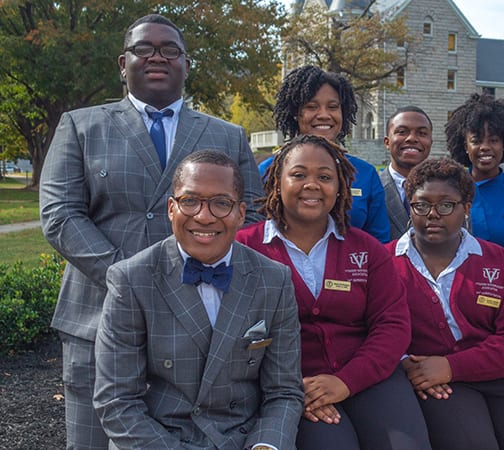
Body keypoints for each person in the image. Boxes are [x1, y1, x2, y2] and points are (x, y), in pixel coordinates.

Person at [39, 14, 263, 449]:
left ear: (186, 64)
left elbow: (250, 213)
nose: (157, 56)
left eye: (170, 50)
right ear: (124, 64)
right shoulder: (80, 126)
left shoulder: (227, 135)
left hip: (199, 316)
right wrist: (129, 281)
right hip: (97, 313)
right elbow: (60, 213)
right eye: (145, 49)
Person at [93, 151, 303, 450]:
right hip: (157, 439)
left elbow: (283, 392)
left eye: (221, 203)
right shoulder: (130, 280)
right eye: (190, 201)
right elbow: (117, 402)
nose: (204, 216)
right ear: (171, 208)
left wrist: (266, 445)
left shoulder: (274, 279)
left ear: (241, 213)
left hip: (245, 439)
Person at [237, 135, 431, 450]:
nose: (311, 184)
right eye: (298, 175)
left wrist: (345, 382)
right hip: (293, 387)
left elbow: (392, 326)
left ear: (340, 186)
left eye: (324, 177)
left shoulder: (366, 249)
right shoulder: (245, 248)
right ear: (276, 183)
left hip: (371, 376)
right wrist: (289, 388)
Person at [388, 157, 504, 450]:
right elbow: (377, 332)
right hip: (433, 382)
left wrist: (451, 365)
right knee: (473, 441)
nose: (433, 214)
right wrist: (406, 363)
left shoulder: (500, 262)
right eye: (422, 205)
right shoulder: (385, 263)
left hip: (501, 374)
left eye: (446, 205)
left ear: (466, 208)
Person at [259, 65, 391, 243]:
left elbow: (380, 244)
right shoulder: (268, 171)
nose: (324, 115)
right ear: (295, 113)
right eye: (312, 106)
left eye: (333, 107)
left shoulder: (365, 174)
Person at [445, 93, 504, 253]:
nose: (485, 147)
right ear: (465, 146)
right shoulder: (449, 191)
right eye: (476, 141)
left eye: (493, 140)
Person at [380, 106, 433, 240]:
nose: (412, 138)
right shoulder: (373, 187)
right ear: (387, 142)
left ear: (430, 142)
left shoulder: (448, 190)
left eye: (422, 133)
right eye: (402, 132)